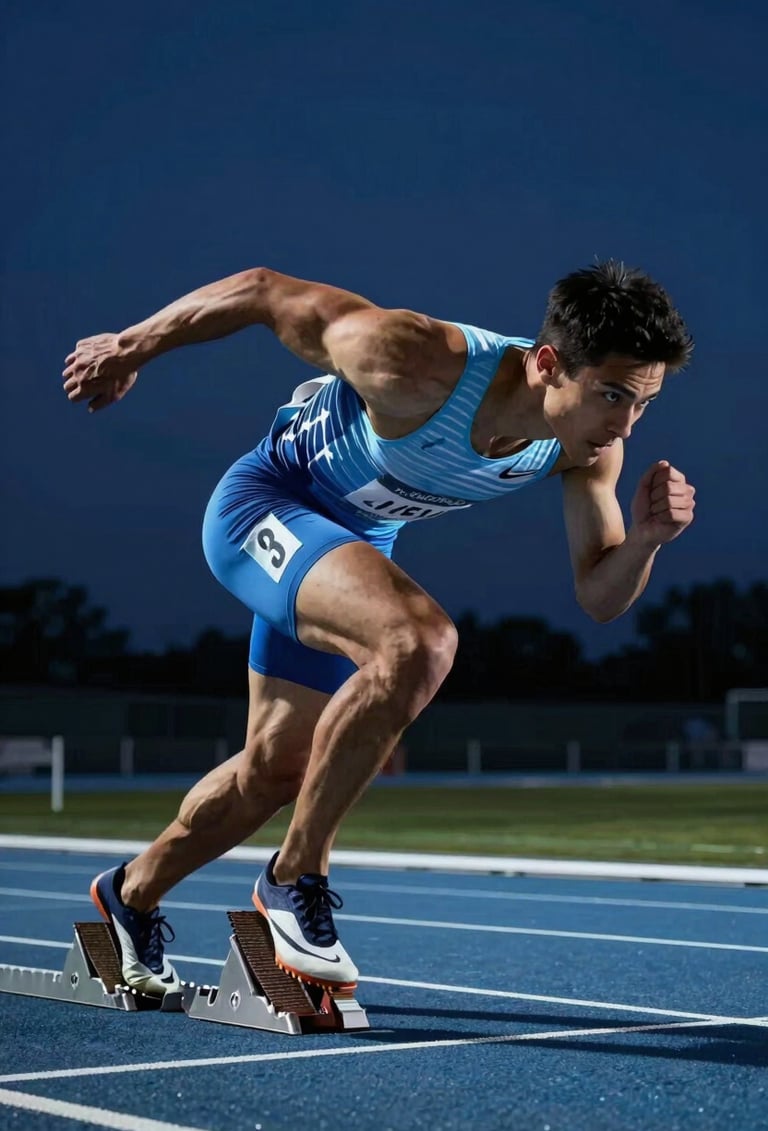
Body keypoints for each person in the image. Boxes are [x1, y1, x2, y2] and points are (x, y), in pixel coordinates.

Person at [63, 260, 696, 996]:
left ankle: (129, 895)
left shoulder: (585, 446)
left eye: (644, 403)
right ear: (548, 364)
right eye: (613, 394)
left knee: (276, 767)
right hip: (267, 504)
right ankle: (295, 877)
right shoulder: (414, 360)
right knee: (419, 639)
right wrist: (128, 347)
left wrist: (647, 540)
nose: (624, 423)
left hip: (355, 543)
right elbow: (266, 291)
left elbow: (598, 595)